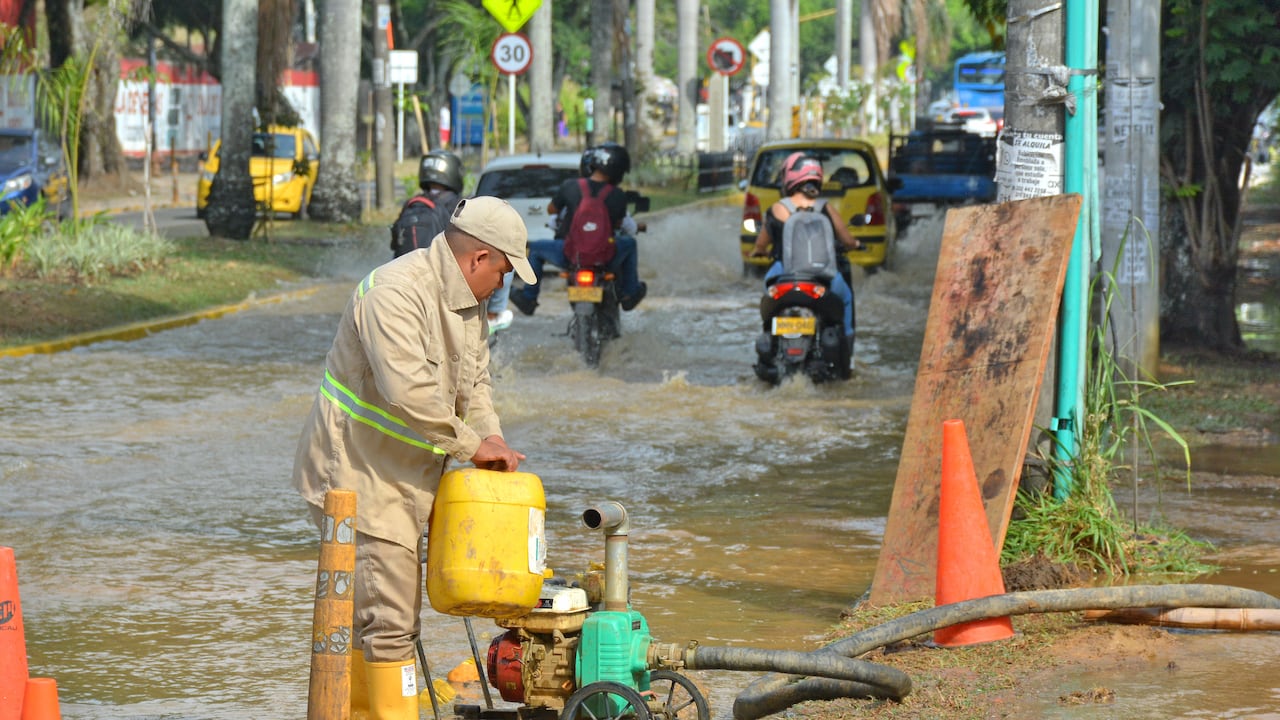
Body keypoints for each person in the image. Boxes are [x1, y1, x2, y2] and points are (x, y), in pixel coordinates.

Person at [293, 195, 535, 719]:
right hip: (358, 474)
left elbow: (477, 386)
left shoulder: (470, 306)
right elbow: (408, 392)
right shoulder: (395, 292)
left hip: (407, 478)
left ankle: (354, 711)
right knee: (390, 623)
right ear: (477, 259)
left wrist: (491, 443)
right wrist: (473, 446)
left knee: (377, 620)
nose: (502, 284)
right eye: (502, 271)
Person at [508, 142, 646, 315]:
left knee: (535, 249)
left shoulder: (570, 186)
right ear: (618, 170)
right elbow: (619, 224)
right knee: (630, 243)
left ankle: (529, 298)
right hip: (605, 257)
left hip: (570, 254)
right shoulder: (617, 195)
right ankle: (629, 293)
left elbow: (552, 209)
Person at [392, 150, 513, 334]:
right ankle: (493, 316)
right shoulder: (462, 204)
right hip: (447, 281)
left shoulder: (411, 204)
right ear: (454, 174)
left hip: (406, 280)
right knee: (505, 264)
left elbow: (395, 243)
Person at [749, 152, 862, 339]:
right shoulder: (825, 208)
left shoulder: (778, 208)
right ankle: (847, 344)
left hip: (783, 273)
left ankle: (769, 333)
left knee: (767, 298)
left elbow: (761, 245)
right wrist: (856, 244)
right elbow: (848, 241)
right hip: (821, 276)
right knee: (846, 298)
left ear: (789, 177)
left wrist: (758, 252)